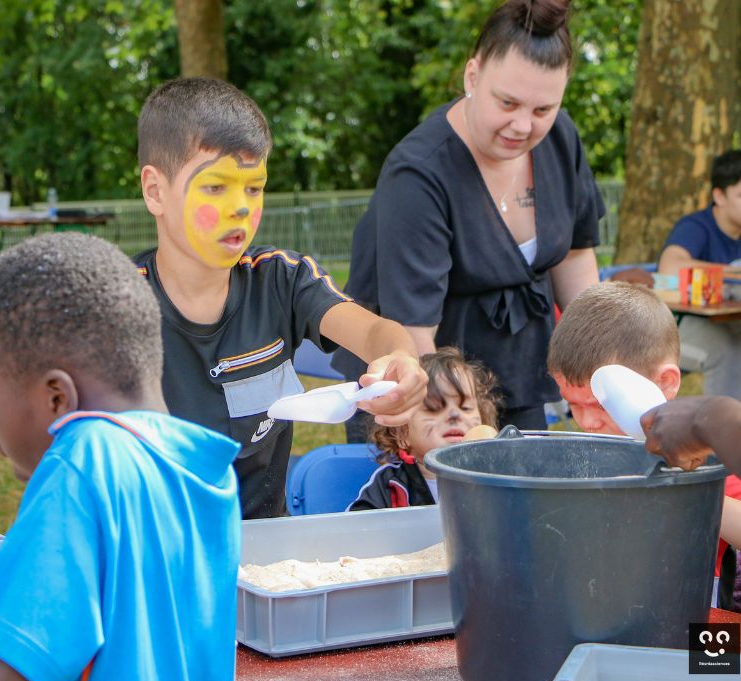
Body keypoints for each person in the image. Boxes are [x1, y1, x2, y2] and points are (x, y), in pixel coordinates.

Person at [0, 233, 242, 681]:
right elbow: (127, 598)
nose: (2, 447)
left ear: (57, 398)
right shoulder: (204, 466)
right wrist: (21, 568)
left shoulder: (82, 459)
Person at [133, 77, 429, 519]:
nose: (240, 207)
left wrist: (401, 359)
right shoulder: (117, 302)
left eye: (254, 188)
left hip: (268, 555)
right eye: (216, 187)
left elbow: (375, 332)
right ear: (155, 190)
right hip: (155, 556)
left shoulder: (280, 278)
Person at [334, 0, 602, 437]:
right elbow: (414, 335)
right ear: (472, 76)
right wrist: (455, 422)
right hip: (423, 394)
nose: (522, 125)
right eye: (508, 102)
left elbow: (574, 258)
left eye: (542, 110)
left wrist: (599, 367)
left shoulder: (562, 139)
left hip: (519, 377)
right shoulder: (418, 173)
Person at [548, 282, 741, 609]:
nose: (587, 422)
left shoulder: (706, 456)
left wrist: (691, 488)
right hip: (601, 618)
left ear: (664, 383)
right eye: (573, 406)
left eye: (598, 405)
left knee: (716, 662)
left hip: (698, 623)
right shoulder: (575, 459)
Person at [348, 347, 498, 511]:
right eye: (433, 409)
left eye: (466, 407)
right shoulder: (390, 486)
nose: (455, 415)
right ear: (401, 433)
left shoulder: (501, 477)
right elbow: (357, 529)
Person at [658, 149, 741, 401]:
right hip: (675, 328)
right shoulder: (696, 227)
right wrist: (732, 272)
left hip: (729, 322)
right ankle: (724, 436)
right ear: (719, 195)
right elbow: (669, 267)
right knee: (730, 351)